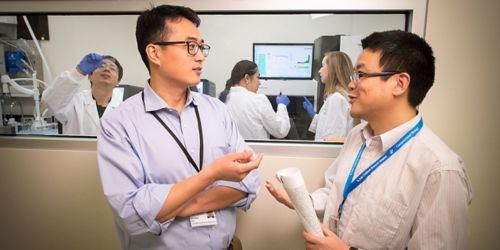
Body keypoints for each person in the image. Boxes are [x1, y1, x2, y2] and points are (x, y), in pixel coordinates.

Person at [266, 30, 472, 249]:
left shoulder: (440, 171)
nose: (351, 84)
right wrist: (300, 201)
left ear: (400, 83)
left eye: (361, 75)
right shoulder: (357, 136)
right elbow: (333, 193)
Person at [97, 5, 262, 250]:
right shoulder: (118, 125)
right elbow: (131, 213)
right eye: (189, 46)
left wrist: (173, 205)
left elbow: (249, 182)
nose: (200, 56)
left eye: (201, 46)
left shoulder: (217, 111)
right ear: (154, 53)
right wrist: (212, 175)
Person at [41, 53, 123, 135]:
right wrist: (79, 72)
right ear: (89, 76)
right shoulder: (73, 102)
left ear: (118, 82)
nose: (107, 69)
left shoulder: (124, 109)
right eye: (101, 66)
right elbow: (50, 101)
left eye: (112, 68)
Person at [219, 60, 291, 139]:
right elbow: (281, 131)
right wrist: (282, 105)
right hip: (256, 151)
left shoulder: (222, 101)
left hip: (234, 151)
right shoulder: (258, 100)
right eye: (258, 77)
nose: (259, 82)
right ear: (247, 78)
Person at [302, 51, 356, 141]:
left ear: (333, 69)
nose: (319, 71)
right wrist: (314, 115)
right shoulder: (337, 96)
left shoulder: (337, 99)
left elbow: (331, 139)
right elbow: (327, 126)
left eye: (323, 66)